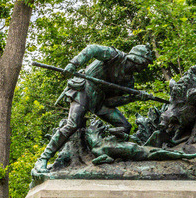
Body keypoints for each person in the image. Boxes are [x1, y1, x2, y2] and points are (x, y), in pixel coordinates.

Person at [32, 43, 154, 174]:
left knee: (125, 126)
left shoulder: (129, 81)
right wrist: (73, 64)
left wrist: (133, 98)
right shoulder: (114, 56)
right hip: (84, 89)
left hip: (100, 100)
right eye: (140, 65)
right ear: (133, 59)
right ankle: (43, 159)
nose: (139, 69)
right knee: (72, 124)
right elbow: (92, 49)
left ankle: (104, 151)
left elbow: (110, 102)